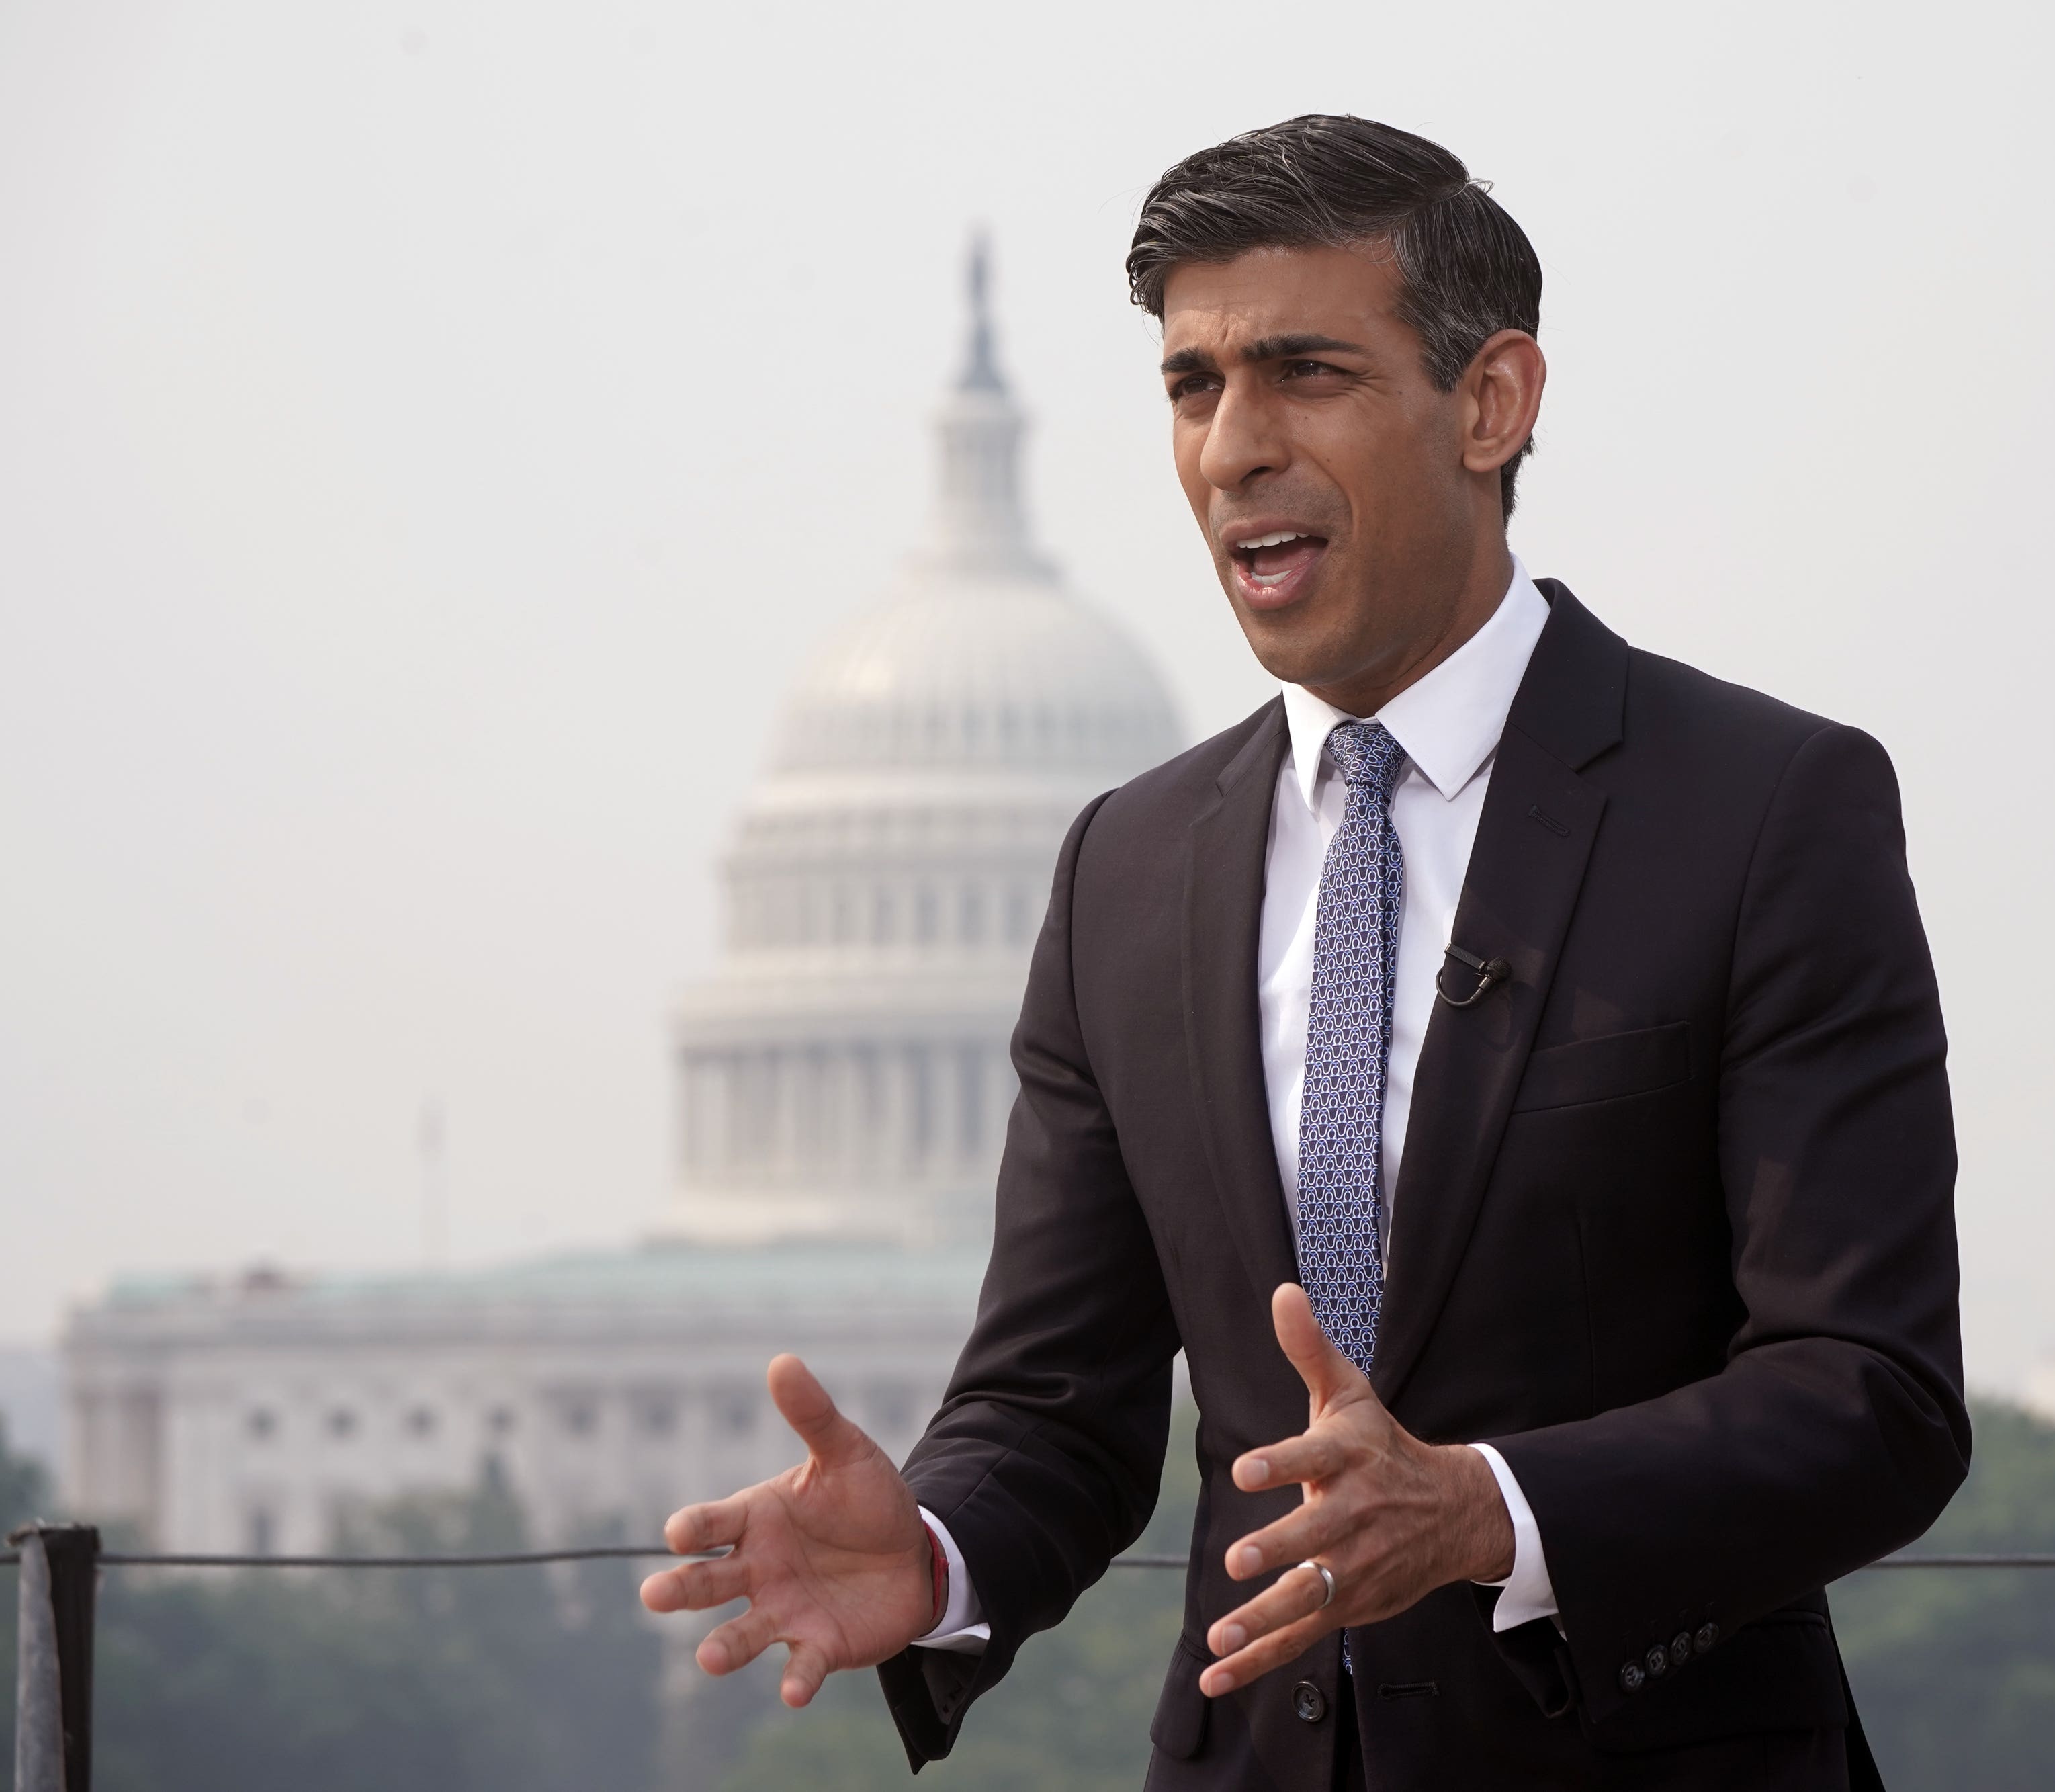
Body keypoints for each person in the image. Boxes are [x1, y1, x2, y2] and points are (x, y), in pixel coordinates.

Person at [641, 115, 1968, 1791]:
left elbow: (1871, 1393)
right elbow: (1056, 1405)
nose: (1230, 449)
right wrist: (938, 1551)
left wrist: (1487, 1507)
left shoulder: (1766, 809)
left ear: (1489, 404)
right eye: (1193, 387)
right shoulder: (1126, 865)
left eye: (1302, 372)